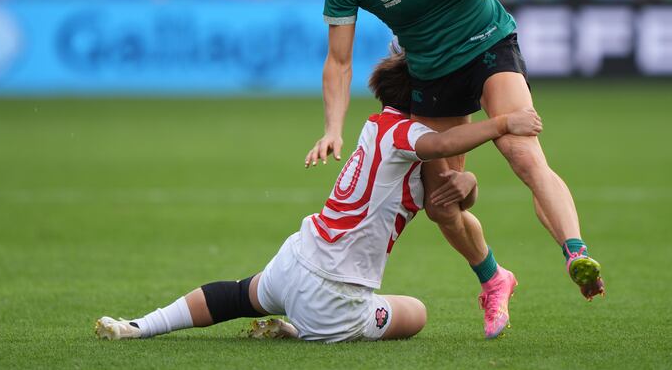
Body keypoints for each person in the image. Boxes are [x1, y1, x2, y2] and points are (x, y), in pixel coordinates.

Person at [222, 0, 604, 301]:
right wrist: (332, 128)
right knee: (442, 202)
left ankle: (575, 252)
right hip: (430, 71)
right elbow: (339, 61)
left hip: (488, 43)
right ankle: (493, 278)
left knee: (521, 151)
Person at [95, 54, 543, 343]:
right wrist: (504, 123)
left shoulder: (376, 126)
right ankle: (300, 328)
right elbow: (443, 146)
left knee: (236, 295)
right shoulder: (407, 134)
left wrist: (470, 185)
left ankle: (142, 325)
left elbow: (443, 188)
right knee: (417, 314)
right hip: (337, 298)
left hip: (295, 259)